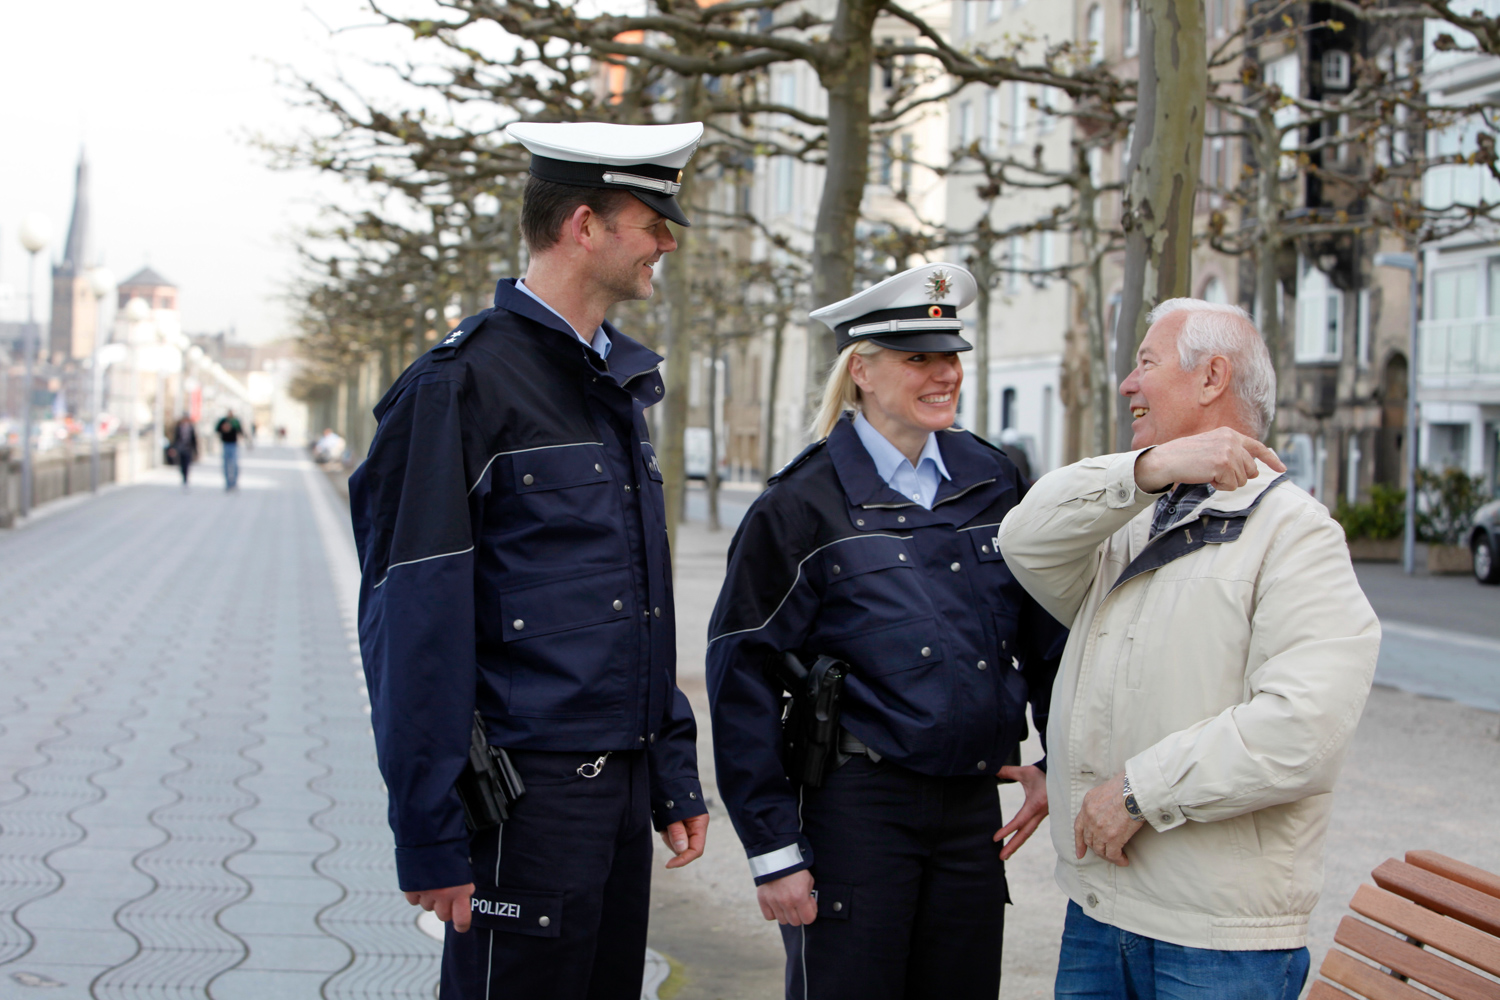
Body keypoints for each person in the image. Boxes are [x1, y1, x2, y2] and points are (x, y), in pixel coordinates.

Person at [348, 120, 711, 1000]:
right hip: (526, 804)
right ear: (584, 226)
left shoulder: (615, 383)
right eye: (651, 221)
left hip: (616, 798)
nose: (667, 240)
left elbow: (638, 602)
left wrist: (667, 769)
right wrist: (429, 835)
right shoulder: (459, 386)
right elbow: (412, 629)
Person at [996, 299, 1380, 1000]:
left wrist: (1144, 793)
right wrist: (1149, 468)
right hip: (1101, 912)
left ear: (1212, 378)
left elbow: (1304, 728)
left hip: (1215, 943)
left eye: (1145, 363)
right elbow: (1024, 536)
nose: (1126, 384)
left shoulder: (1297, 534)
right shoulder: (1128, 520)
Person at [707, 263, 1067, 1000]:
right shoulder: (799, 504)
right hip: (857, 813)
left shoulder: (995, 478)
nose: (945, 374)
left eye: (951, 355)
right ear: (862, 370)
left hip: (972, 815)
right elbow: (741, 673)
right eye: (918, 358)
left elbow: (1050, 634)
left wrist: (1060, 760)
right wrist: (773, 847)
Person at [215, 410, 246, 490]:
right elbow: (217, 430)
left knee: (235, 465)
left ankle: (234, 483)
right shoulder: (223, 421)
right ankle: (228, 483)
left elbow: (240, 431)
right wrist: (223, 428)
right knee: (225, 465)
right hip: (225, 444)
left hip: (233, 444)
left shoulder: (235, 421)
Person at [169, 414, 197, 489]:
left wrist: (195, 451)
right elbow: (175, 438)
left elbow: (194, 439)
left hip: (188, 448)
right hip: (180, 448)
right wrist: (173, 448)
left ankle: (186, 478)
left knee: (187, 464)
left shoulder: (191, 428)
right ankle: (183, 476)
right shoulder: (178, 427)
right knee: (181, 463)